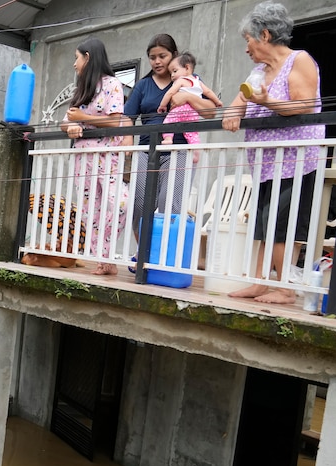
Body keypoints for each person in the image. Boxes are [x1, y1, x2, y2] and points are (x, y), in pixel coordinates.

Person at [222, 1, 323, 304]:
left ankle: (286, 289)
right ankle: (259, 282)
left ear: (264, 35)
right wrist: (234, 112)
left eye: (248, 40)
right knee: (264, 222)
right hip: (266, 163)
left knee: (282, 223)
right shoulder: (258, 71)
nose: (246, 48)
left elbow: (303, 105)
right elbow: (239, 100)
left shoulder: (299, 60)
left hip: (295, 159)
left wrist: (267, 104)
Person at [124, 34, 218, 235]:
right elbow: (127, 117)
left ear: (174, 55)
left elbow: (210, 111)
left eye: (162, 56)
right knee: (140, 205)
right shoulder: (143, 85)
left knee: (170, 205)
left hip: (179, 149)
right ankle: (144, 255)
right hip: (146, 150)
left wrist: (187, 97)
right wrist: (127, 146)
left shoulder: (190, 81)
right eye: (152, 57)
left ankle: (164, 256)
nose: (157, 61)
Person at [60, 37, 131, 276]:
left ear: (88, 57)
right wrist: (71, 127)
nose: (74, 64)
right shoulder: (82, 89)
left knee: (121, 203)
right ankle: (103, 259)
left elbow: (115, 120)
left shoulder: (113, 85)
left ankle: (106, 252)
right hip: (83, 156)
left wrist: (84, 118)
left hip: (108, 155)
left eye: (76, 58)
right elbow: (66, 121)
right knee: (91, 211)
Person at [157, 52, 224, 147]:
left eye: (175, 71)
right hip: (193, 112)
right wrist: (217, 101)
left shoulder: (180, 80)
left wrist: (163, 105)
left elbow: (170, 93)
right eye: (171, 73)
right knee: (192, 133)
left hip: (180, 110)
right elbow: (208, 92)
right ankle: (195, 150)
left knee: (168, 122)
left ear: (187, 68)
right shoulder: (198, 81)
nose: (172, 75)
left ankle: (168, 138)